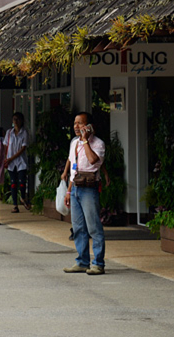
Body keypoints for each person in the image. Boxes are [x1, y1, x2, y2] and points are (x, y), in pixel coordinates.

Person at [62, 112, 107, 275]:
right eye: (75, 123)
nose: (76, 126)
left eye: (80, 123)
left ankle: (98, 263)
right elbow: (74, 168)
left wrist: (86, 140)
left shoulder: (98, 144)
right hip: (75, 188)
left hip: (89, 188)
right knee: (78, 227)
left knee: (93, 227)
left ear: (89, 126)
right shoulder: (74, 142)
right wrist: (68, 190)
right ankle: (82, 261)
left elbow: (93, 161)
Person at [5, 112, 31, 213]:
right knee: (13, 183)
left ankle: (23, 197)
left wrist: (12, 158)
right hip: (10, 163)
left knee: (22, 182)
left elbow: (23, 148)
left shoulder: (24, 133)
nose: (16, 121)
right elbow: (5, 146)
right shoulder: (9, 133)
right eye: (14, 119)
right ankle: (15, 205)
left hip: (21, 161)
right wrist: (5, 158)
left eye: (18, 119)